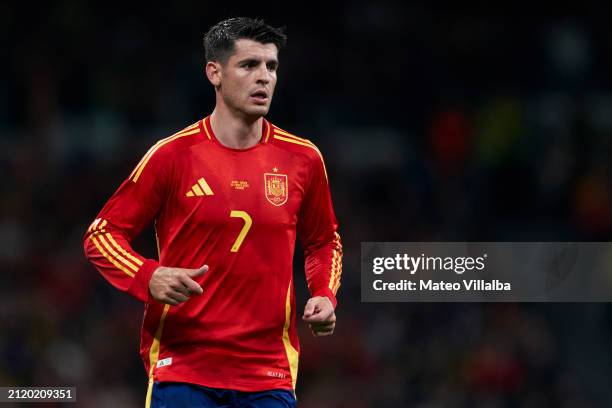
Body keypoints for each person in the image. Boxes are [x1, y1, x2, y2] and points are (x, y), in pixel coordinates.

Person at [83, 17, 342, 408]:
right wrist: (147, 275)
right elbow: (101, 235)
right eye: (249, 65)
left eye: (271, 67)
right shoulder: (172, 155)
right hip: (184, 367)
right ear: (214, 73)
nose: (264, 78)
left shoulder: (303, 158)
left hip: (268, 372)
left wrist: (325, 294)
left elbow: (324, 241)